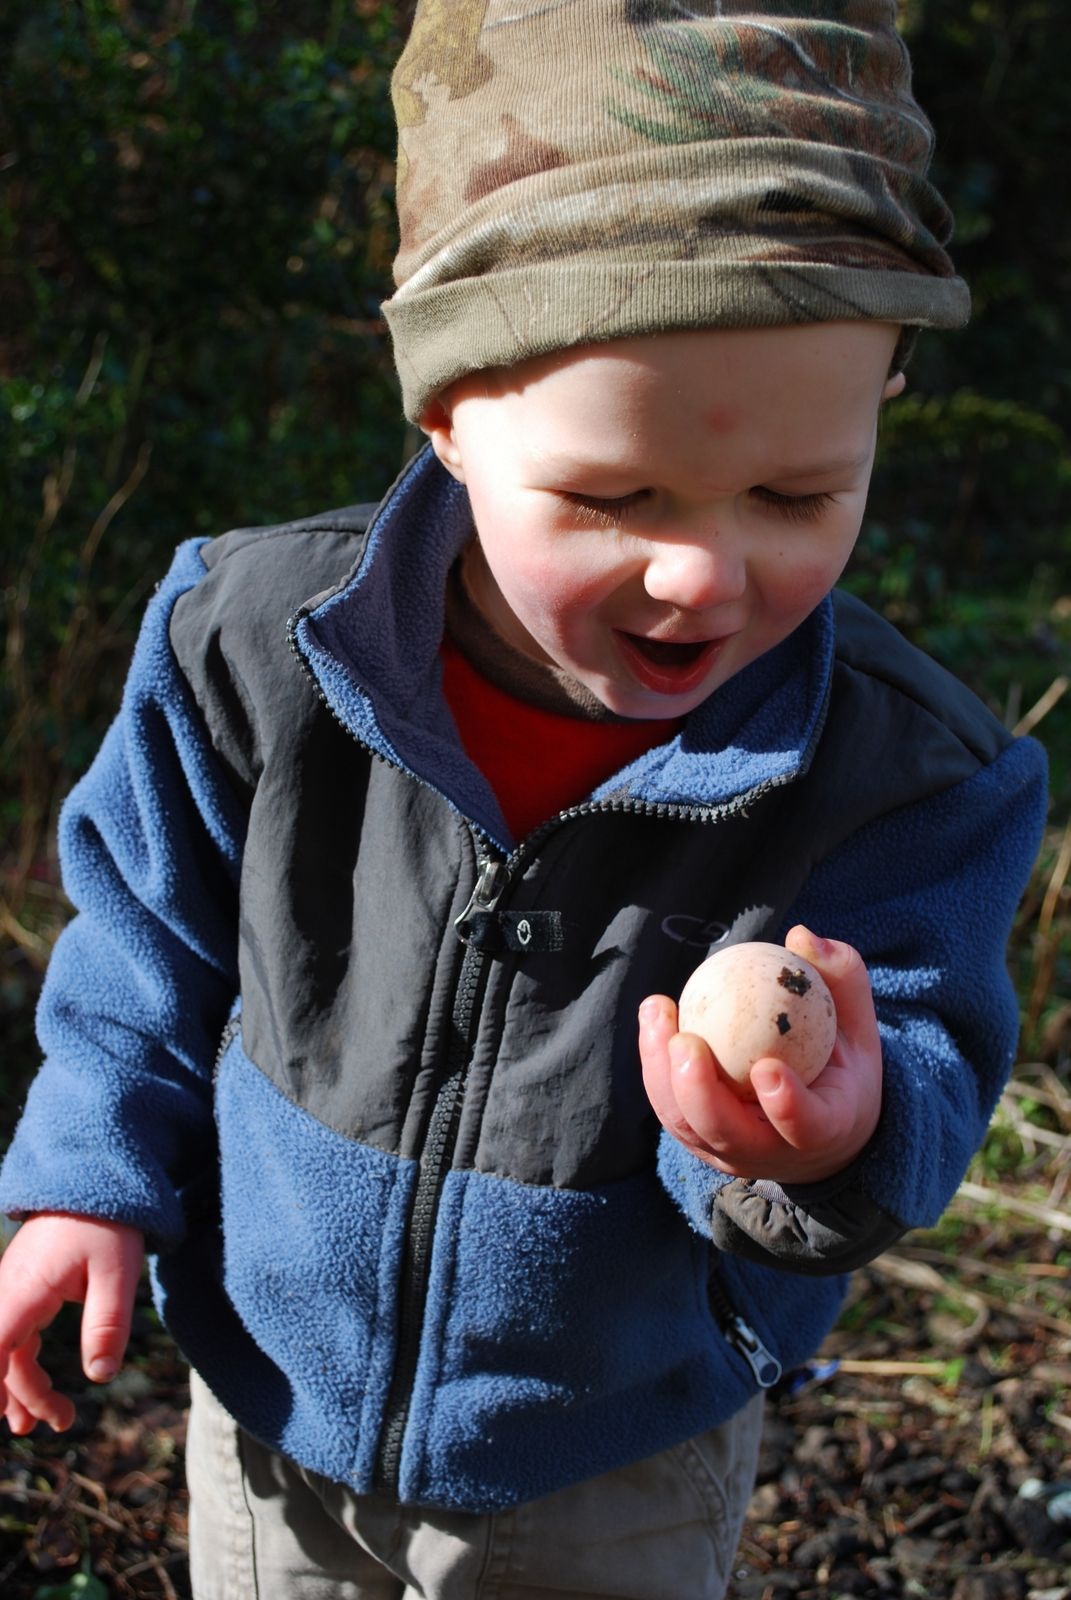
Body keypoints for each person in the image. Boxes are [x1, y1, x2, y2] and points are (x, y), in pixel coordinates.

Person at [0, 4, 1049, 1597]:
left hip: (609, 1449)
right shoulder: (252, 645)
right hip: (272, 1396)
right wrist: (86, 1174)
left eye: (796, 493)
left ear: (882, 404)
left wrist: (818, 1138)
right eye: (610, 496)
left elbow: (920, 1046)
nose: (701, 569)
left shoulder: (910, 777)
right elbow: (144, 938)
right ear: (447, 413)